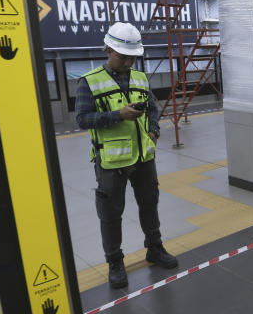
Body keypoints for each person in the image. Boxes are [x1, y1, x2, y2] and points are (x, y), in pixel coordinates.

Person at [76, 22, 178, 288]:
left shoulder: (140, 78)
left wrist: (154, 131)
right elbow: (83, 120)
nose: (129, 61)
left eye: (133, 57)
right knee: (110, 214)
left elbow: (153, 108)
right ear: (108, 50)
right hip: (111, 162)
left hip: (144, 158)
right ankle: (115, 261)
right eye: (123, 56)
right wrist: (117, 115)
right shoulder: (89, 82)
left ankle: (154, 248)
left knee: (149, 204)